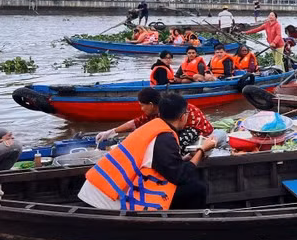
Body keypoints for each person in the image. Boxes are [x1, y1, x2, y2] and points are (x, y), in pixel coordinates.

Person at [80, 94, 211, 210]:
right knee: (197, 188)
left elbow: (162, 163)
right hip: (107, 198)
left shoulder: (154, 126)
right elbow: (180, 176)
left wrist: (187, 158)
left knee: (191, 184)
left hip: (100, 186)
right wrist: (202, 150)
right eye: (187, 113)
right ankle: (182, 228)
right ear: (183, 117)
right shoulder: (164, 137)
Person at [93, 87, 227, 152]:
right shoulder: (158, 110)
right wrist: (112, 131)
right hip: (181, 131)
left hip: (199, 133)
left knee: (170, 144)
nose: (141, 109)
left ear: (151, 105)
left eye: (142, 106)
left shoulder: (169, 109)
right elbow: (136, 123)